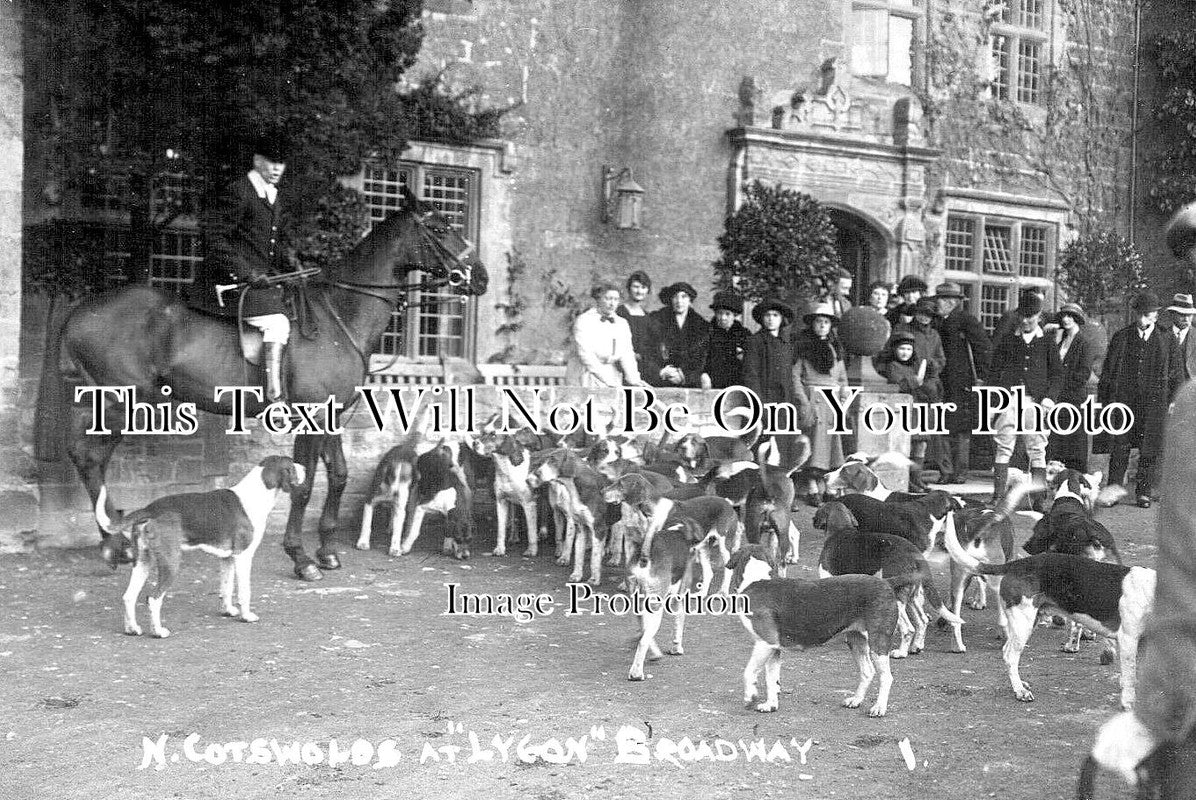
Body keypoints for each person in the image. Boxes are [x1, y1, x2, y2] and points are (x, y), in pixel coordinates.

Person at [205, 135, 293, 403]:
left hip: (257, 285)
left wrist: (292, 268)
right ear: (257, 161)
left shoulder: (271, 196)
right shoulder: (240, 191)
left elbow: (267, 247)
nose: (277, 169)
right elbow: (213, 236)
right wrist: (245, 273)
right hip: (231, 283)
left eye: (281, 164)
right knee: (278, 324)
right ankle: (274, 397)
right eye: (271, 163)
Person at [1098, 291, 1186, 508]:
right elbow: (1108, 372)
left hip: (1155, 402)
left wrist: (1175, 400)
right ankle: (1114, 489)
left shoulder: (1167, 339)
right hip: (1124, 401)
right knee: (1120, 446)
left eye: (1148, 315)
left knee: (1150, 448)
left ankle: (1143, 491)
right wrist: (1105, 401)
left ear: (1156, 315)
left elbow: (1176, 372)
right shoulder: (1122, 337)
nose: (1143, 319)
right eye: (1140, 314)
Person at [986, 292, 1062, 509]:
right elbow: (994, 372)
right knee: (1003, 447)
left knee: (1037, 449)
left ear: (1039, 316)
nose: (1026, 321)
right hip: (1009, 400)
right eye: (1023, 316)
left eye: (1031, 316)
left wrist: (1049, 399)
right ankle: (998, 496)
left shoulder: (1047, 343)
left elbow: (1057, 374)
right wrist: (993, 402)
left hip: (1035, 403)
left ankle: (1039, 499)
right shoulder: (1008, 340)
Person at [741, 298, 811, 469]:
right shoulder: (755, 342)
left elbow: (790, 376)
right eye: (767, 315)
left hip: (784, 404)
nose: (771, 319)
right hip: (763, 401)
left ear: (781, 319)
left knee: (782, 448)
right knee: (761, 449)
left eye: (775, 315)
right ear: (762, 319)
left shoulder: (787, 344)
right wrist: (759, 405)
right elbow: (751, 375)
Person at [934, 281, 991, 484]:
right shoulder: (936, 321)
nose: (936, 304)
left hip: (961, 381)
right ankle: (946, 470)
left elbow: (982, 349)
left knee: (960, 427)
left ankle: (960, 471)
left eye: (939, 300)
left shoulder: (967, 321)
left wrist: (981, 378)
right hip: (941, 380)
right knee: (942, 425)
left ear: (950, 302)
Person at [794, 303, 850, 505]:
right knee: (815, 444)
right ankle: (811, 487)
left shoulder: (835, 349)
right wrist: (803, 401)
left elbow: (842, 378)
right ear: (813, 324)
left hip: (832, 401)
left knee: (831, 446)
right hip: (813, 400)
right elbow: (796, 378)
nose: (822, 326)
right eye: (819, 322)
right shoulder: (804, 348)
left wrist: (842, 396)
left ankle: (827, 486)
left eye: (826, 322)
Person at [878, 331, 944, 492]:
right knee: (906, 446)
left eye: (908, 349)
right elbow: (900, 385)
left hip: (919, 409)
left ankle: (916, 479)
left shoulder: (915, 365)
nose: (905, 353)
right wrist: (917, 380)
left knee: (921, 445)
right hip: (904, 411)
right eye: (902, 349)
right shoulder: (893, 366)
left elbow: (929, 386)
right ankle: (907, 480)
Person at [567, 282, 647, 389]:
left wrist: (634, 378)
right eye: (608, 298)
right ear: (598, 299)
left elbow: (627, 353)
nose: (612, 303)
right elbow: (586, 355)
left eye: (616, 299)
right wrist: (607, 380)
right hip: (586, 374)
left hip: (611, 372)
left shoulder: (622, 323)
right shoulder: (584, 320)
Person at [1046, 303, 1096, 472]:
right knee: (1057, 441)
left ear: (1077, 319)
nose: (1066, 319)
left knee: (1073, 442)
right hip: (1058, 400)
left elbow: (1083, 373)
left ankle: (1075, 476)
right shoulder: (1060, 341)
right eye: (1064, 316)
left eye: (1070, 316)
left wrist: (1060, 385)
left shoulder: (1085, 343)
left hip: (1074, 399)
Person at [645, 282, 710, 388]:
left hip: (689, 382)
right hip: (661, 380)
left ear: (690, 300)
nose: (679, 301)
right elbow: (647, 352)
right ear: (670, 299)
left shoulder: (701, 325)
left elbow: (702, 358)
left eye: (684, 297)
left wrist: (684, 375)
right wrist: (660, 372)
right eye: (675, 297)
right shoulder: (657, 319)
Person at [701, 290, 750, 390]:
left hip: (737, 385)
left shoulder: (744, 335)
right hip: (711, 385)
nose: (723, 318)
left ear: (735, 315)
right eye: (719, 313)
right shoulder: (706, 333)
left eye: (727, 314)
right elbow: (699, 359)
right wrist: (703, 374)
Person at [616, 270, 655, 376]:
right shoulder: (619, 312)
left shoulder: (648, 317)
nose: (639, 291)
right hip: (622, 367)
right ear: (629, 288)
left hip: (644, 367)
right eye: (636, 287)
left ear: (647, 291)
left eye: (643, 288)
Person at [1167, 292, 1196, 381]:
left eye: (1189, 315)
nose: (1186, 319)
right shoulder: (1162, 335)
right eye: (1182, 314)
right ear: (1172, 314)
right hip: (1167, 390)